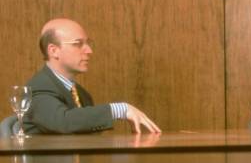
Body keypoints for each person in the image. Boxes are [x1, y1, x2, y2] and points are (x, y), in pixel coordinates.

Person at [24, 18, 161, 134]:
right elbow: (63, 121)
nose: (89, 50)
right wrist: (119, 109)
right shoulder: (37, 88)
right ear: (54, 51)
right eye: (78, 44)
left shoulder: (81, 93)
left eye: (88, 43)